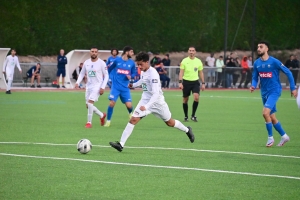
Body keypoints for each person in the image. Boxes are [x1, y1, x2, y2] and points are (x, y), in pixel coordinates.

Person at [109, 51, 195, 152]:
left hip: (157, 102)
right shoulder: (143, 71)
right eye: (138, 65)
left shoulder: (153, 74)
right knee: (133, 120)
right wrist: (134, 85)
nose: (139, 67)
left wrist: (147, 106)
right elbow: (142, 81)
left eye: (141, 64)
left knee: (170, 122)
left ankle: (187, 130)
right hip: (145, 100)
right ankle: (121, 144)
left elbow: (156, 94)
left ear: (146, 62)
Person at [250, 41, 298, 147]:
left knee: (265, 113)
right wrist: (253, 85)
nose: (258, 48)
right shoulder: (257, 63)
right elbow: (255, 77)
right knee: (272, 117)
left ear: (267, 49)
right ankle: (284, 136)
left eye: (261, 47)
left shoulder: (274, 62)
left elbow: (288, 73)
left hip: (274, 91)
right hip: (264, 92)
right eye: (257, 47)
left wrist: (293, 88)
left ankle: (270, 138)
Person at [74, 47, 108, 128]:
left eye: (95, 52)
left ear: (97, 53)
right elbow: (82, 73)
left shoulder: (101, 63)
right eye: (92, 51)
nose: (94, 53)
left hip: (97, 85)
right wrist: (77, 82)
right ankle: (101, 115)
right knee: (88, 105)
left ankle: (89, 122)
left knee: (90, 103)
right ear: (90, 52)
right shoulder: (86, 62)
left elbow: (106, 75)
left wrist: (103, 87)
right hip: (88, 86)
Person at [104, 46, 136, 127]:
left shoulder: (131, 63)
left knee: (129, 105)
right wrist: (109, 77)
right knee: (111, 103)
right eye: (131, 52)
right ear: (126, 52)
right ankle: (108, 121)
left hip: (125, 88)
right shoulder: (117, 61)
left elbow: (134, 73)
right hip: (115, 87)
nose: (133, 53)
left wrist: (130, 76)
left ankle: (130, 113)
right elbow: (109, 69)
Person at [179, 46, 205, 122]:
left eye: (193, 51)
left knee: (196, 97)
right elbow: (181, 72)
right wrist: (180, 82)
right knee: (185, 100)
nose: (191, 52)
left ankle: (193, 115)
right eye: (190, 50)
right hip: (186, 82)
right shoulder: (184, 61)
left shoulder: (198, 61)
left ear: (195, 52)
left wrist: (203, 83)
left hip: (195, 82)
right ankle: (186, 116)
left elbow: (201, 72)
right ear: (188, 51)